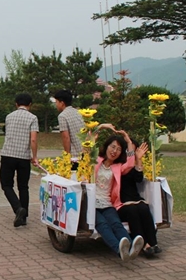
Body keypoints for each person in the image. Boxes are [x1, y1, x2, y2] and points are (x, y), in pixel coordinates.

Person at [92, 128, 144, 261]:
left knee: (116, 224)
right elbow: (86, 151)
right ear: (107, 147)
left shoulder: (118, 167)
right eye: (112, 147)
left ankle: (132, 247)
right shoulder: (95, 161)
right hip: (91, 204)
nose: (114, 151)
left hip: (108, 203)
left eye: (118, 149)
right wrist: (96, 132)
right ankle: (119, 249)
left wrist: (127, 140)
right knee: (103, 225)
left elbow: (131, 163)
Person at [116, 140, 161, 257]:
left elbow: (138, 179)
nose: (131, 153)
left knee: (143, 208)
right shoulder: (116, 165)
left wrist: (139, 159)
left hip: (134, 199)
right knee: (132, 211)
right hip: (120, 202)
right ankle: (143, 244)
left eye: (134, 151)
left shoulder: (133, 165)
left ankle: (153, 243)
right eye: (129, 151)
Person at [0, 93, 39, 227]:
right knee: (23, 186)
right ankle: (24, 217)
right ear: (30, 104)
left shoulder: (9, 117)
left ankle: (18, 209)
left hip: (8, 154)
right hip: (23, 157)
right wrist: (34, 157)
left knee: (6, 185)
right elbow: (33, 139)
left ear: (16, 104)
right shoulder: (33, 118)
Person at [53, 90, 84, 166]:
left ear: (62, 103)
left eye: (56, 102)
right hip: (85, 153)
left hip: (75, 156)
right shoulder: (78, 112)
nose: (55, 104)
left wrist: (67, 157)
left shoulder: (62, 116)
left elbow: (65, 137)